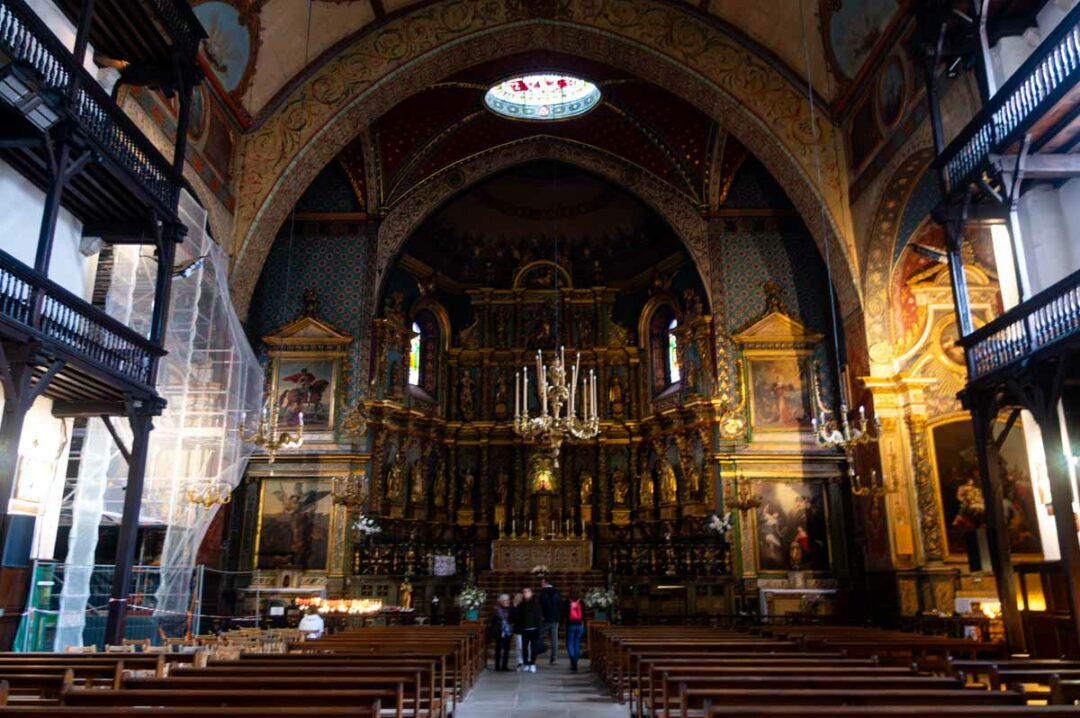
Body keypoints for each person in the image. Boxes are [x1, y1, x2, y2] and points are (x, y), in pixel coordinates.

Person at [517, 587, 544, 672]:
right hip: (524, 629)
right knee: (524, 648)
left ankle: (532, 663)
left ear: (531, 593)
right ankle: (526, 663)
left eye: (527, 592)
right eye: (524, 592)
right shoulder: (521, 604)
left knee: (533, 648)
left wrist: (539, 629)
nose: (525, 593)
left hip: (534, 629)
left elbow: (539, 617)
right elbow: (519, 617)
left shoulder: (536, 603)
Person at [538, 577, 562, 664]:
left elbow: (539, 608)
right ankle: (554, 658)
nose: (541, 584)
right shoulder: (557, 593)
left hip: (545, 619)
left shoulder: (542, 594)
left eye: (542, 582)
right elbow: (560, 607)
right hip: (555, 619)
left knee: (536, 634)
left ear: (546, 583)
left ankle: (538, 650)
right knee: (554, 639)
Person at [488, 594, 513, 671]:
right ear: (501, 601)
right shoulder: (496, 609)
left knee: (506, 649)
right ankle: (497, 666)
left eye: (508, 600)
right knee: (498, 649)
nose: (507, 602)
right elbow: (494, 620)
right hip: (499, 631)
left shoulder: (509, 609)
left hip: (507, 631)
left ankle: (504, 666)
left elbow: (511, 618)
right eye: (505, 600)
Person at [564, 590, 586, 671]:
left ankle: (573, 660)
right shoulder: (581, 602)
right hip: (579, 624)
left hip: (570, 624)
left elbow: (564, 614)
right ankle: (575, 661)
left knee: (570, 642)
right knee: (577, 643)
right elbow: (584, 614)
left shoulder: (567, 602)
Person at [510, 592, 524, 669]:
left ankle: (524, 660)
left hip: (524, 628)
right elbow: (512, 619)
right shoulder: (514, 608)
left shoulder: (524, 607)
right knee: (519, 646)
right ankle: (519, 660)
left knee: (523, 646)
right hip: (518, 629)